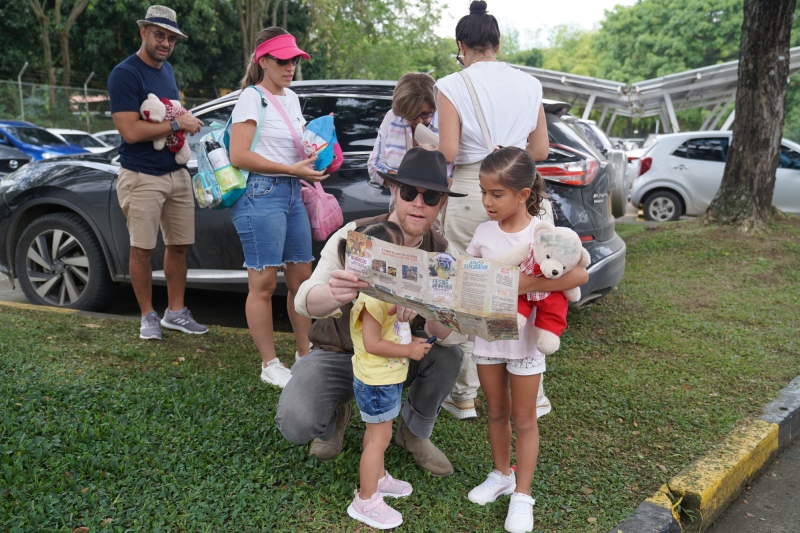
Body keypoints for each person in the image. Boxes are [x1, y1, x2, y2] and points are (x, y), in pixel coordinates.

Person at [276, 148, 466, 477]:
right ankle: (336, 415)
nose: (418, 203)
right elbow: (303, 300)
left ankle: (413, 433)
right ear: (394, 191)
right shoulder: (356, 234)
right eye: (409, 192)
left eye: (431, 196)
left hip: (397, 355)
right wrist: (334, 293)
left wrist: (432, 308)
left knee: (448, 356)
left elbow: (454, 336)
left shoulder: (445, 254)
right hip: (340, 354)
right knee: (296, 423)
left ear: (442, 202)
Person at [435, 0, 552, 421]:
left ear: (461, 45)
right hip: (522, 191)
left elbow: (448, 150)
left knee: (471, 286)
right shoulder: (529, 84)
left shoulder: (450, 84)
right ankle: (534, 391)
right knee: (532, 284)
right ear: (498, 43)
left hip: (473, 190)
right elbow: (539, 150)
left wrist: (423, 139)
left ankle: (465, 395)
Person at [227, 27, 328, 388]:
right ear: (263, 60)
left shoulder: (292, 98)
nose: (291, 67)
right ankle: (270, 364)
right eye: (283, 60)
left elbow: (294, 147)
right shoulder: (252, 98)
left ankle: (305, 354)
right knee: (265, 283)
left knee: (302, 281)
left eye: (295, 60)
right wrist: (290, 168)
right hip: (260, 193)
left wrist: (315, 159)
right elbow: (239, 155)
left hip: (291, 192)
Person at [464, 147, 556, 533]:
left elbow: (570, 276)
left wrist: (517, 284)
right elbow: (470, 274)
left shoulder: (542, 232)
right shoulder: (483, 232)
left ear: (523, 194)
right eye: (483, 192)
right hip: (489, 341)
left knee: (524, 418)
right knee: (496, 411)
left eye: (496, 194)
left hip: (525, 344)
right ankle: (501, 473)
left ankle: (522, 495)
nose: (487, 202)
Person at [339, 221, 450, 529]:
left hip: (384, 379)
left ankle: (377, 478)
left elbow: (392, 333)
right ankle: (365, 500)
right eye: (396, 253)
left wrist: (411, 341)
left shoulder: (387, 293)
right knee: (379, 439)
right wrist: (409, 352)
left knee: (378, 435)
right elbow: (373, 343)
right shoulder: (372, 299)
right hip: (375, 381)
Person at [108, 5, 208, 341]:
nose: (165, 43)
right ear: (144, 32)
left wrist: (186, 121)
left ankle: (175, 313)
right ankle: (147, 315)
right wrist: (179, 122)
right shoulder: (125, 74)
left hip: (176, 172)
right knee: (142, 248)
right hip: (141, 175)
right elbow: (132, 132)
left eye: (171, 38)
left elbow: (168, 115)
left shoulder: (167, 72)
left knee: (179, 246)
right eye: (159, 35)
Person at [367, 72, 440, 187]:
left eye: (425, 114)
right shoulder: (392, 118)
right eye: (411, 116)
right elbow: (374, 165)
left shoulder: (447, 120)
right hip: (401, 202)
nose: (419, 122)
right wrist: (405, 185)